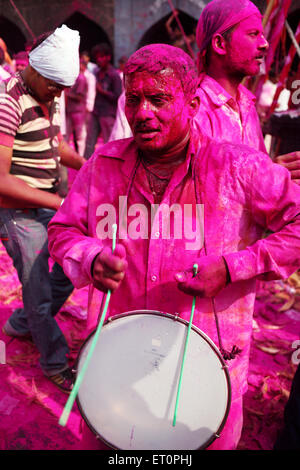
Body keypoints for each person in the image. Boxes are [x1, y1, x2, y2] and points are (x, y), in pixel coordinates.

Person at [48, 44, 300, 449]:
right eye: (134, 99)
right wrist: (91, 256)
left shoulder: (239, 167)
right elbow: (63, 231)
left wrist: (234, 267)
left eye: (159, 99)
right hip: (118, 368)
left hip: (207, 373)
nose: (143, 112)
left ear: (193, 103)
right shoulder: (102, 166)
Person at [0, 25, 86, 393]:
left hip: (48, 201)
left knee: (72, 265)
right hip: (17, 211)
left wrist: (92, 165)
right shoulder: (7, 101)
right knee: (37, 290)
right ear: (33, 68)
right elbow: (1, 182)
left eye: (63, 89)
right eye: (54, 85)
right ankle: (53, 361)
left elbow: (57, 147)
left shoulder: (53, 94)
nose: (58, 94)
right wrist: (61, 202)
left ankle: (22, 324)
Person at [194, 0, 300, 181]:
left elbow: (256, 173)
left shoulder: (246, 104)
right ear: (219, 44)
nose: (264, 44)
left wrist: (273, 173)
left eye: (262, 35)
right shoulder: (194, 107)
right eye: (253, 34)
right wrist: (263, 176)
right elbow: (196, 187)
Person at [83, 43, 122, 159]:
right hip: (96, 112)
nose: (99, 60)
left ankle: (109, 169)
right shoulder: (96, 72)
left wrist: (102, 91)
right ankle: (85, 167)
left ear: (108, 57)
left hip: (108, 114)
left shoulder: (114, 75)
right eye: (97, 57)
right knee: (89, 142)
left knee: (109, 143)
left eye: (101, 57)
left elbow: (117, 96)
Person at [65, 55, 88, 156]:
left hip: (78, 111)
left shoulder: (81, 78)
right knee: (67, 135)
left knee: (79, 137)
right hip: (71, 110)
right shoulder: (73, 77)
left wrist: (67, 94)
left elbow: (79, 97)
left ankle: (81, 157)